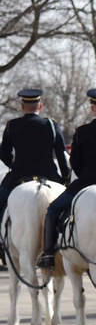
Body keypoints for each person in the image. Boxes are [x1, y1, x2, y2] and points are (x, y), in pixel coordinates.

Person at [36, 90, 96, 270]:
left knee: (53, 210)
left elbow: (75, 162)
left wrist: (85, 176)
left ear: (92, 108)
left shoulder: (82, 132)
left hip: (86, 182)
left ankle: (49, 254)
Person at [0, 89, 70, 227]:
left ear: (22, 106)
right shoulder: (51, 125)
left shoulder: (12, 125)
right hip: (49, 175)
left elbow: (3, 154)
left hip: (18, 176)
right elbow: (61, 155)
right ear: (40, 106)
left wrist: (13, 164)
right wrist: (65, 177)